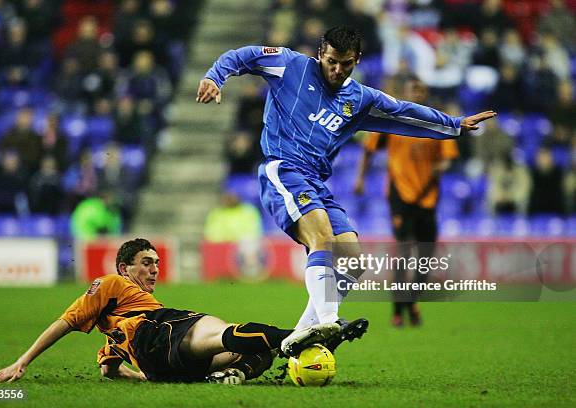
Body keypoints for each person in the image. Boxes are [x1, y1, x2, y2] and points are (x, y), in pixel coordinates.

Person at [197, 26, 495, 336]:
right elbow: (243, 56)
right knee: (322, 238)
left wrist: (454, 125)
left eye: (346, 64)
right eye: (332, 62)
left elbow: (403, 112)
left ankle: (298, 335)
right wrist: (215, 78)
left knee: (353, 260)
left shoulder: (359, 98)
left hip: (316, 182)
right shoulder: (290, 66)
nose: (338, 70)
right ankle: (328, 321)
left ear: (357, 60)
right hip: (283, 169)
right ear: (320, 55)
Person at [0, 238, 341, 384]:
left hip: (166, 368)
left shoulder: (114, 334)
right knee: (220, 330)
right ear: (124, 268)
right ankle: (293, 337)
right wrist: (23, 361)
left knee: (251, 348)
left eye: (157, 264)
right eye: (146, 264)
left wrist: (142, 376)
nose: (154, 270)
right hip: (158, 331)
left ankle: (233, 375)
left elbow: (109, 373)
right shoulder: (111, 284)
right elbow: (64, 322)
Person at [354, 77, 459, 327]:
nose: (418, 94)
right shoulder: (392, 121)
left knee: (425, 255)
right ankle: (398, 310)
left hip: (427, 197)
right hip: (400, 195)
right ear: (405, 93)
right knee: (403, 252)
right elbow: (369, 150)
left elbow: (448, 157)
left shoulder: (437, 122)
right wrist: (360, 179)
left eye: (422, 90)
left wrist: (439, 167)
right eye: (413, 89)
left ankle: (412, 300)